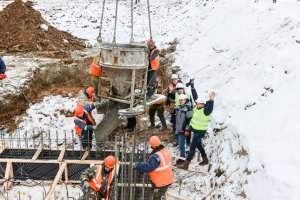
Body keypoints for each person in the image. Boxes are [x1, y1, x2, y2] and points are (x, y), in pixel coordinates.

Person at [177, 92, 216, 170]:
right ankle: (205, 159)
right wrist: (189, 128)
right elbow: (193, 119)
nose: (198, 105)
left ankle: (186, 164)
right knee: (199, 145)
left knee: (192, 147)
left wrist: (211, 100)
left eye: (200, 104)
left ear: (203, 105)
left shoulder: (205, 111)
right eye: (198, 103)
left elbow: (210, 109)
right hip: (195, 131)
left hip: (200, 132)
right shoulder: (196, 109)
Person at [170, 94, 193, 163]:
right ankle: (183, 155)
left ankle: (183, 157)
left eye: (182, 100)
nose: (180, 101)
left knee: (181, 144)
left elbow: (190, 120)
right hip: (178, 129)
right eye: (180, 100)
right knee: (180, 144)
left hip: (183, 129)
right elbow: (172, 113)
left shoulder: (188, 108)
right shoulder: (178, 107)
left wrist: (187, 129)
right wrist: (171, 108)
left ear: (185, 100)